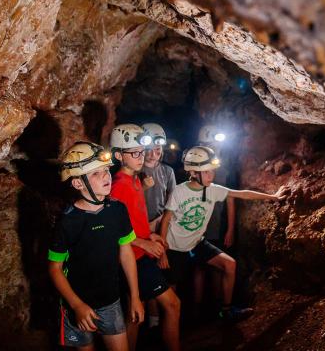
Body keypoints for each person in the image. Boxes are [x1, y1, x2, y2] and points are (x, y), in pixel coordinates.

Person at [159, 145, 287, 322]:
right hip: (173, 248)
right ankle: (169, 325)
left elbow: (242, 194)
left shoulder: (213, 189)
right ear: (194, 173)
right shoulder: (179, 191)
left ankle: (225, 311)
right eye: (208, 172)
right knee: (172, 291)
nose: (212, 175)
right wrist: (162, 250)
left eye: (212, 171)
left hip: (196, 244)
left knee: (230, 265)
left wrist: (274, 197)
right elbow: (165, 220)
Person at [48, 141, 144, 350]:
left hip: (111, 301)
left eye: (106, 170)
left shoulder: (117, 210)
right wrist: (77, 305)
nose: (106, 176)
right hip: (77, 306)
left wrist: (135, 297)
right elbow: (54, 269)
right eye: (95, 173)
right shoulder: (67, 221)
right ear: (77, 183)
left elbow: (126, 253)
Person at [110, 124, 181, 351]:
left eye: (141, 151)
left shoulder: (135, 180)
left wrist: (149, 234)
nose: (140, 157)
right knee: (172, 304)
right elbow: (113, 230)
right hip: (134, 258)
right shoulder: (119, 186)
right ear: (119, 155)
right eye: (134, 153)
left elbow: (132, 221)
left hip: (139, 254)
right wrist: (143, 242)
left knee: (135, 316)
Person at [141, 123, 177, 330]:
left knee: (161, 271)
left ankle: (157, 319)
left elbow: (170, 204)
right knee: (145, 274)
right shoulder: (136, 170)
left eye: (158, 148)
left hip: (160, 227)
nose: (155, 153)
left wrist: (161, 223)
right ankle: (150, 319)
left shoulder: (168, 171)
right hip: (140, 230)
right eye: (150, 148)